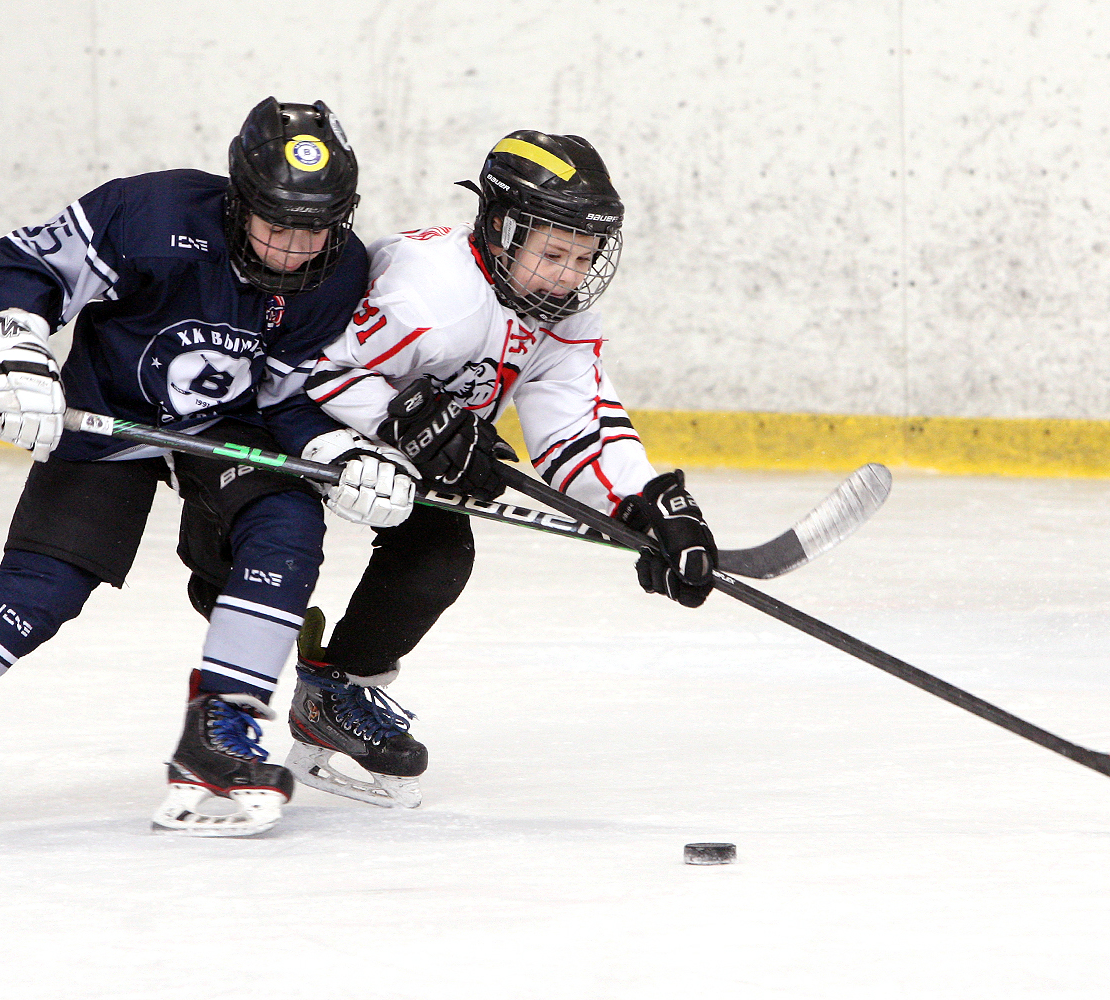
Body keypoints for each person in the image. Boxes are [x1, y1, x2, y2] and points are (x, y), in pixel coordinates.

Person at [0, 98, 416, 844]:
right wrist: (16, 352)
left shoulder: (339, 272)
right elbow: (23, 265)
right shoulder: (151, 214)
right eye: (276, 225)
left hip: (231, 430)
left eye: (315, 228)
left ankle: (219, 736)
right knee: (44, 582)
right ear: (238, 201)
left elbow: (294, 398)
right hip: (112, 411)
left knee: (286, 530)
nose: (294, 250)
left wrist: (340, 451)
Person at [184, 130, 720, 809]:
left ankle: (334, 691)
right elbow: (306, 370)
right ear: (500, 230)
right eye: (554, 253)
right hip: (287, 420)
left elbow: (578, 423)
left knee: (439, 554)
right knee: (259, 549)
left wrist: (645, 505)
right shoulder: (431, 293)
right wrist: (402, 417)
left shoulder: (559, 317)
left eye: (583, 258)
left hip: (395, 442)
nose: (569, 275)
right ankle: (217, 594)